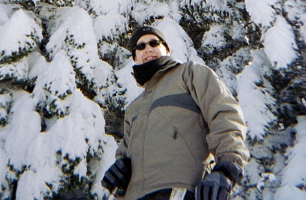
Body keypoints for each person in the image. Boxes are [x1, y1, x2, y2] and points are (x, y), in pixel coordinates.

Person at [102, 26, 249, 200]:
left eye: (154, 43)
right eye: (140, 46)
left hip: (181, 192)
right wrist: (120, 173)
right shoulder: (133, 108)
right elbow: (125, 153)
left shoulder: (189, 74)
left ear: (166, 49)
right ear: (135, 57)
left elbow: (225, 114)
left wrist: (227, 169)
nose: (148, 49)